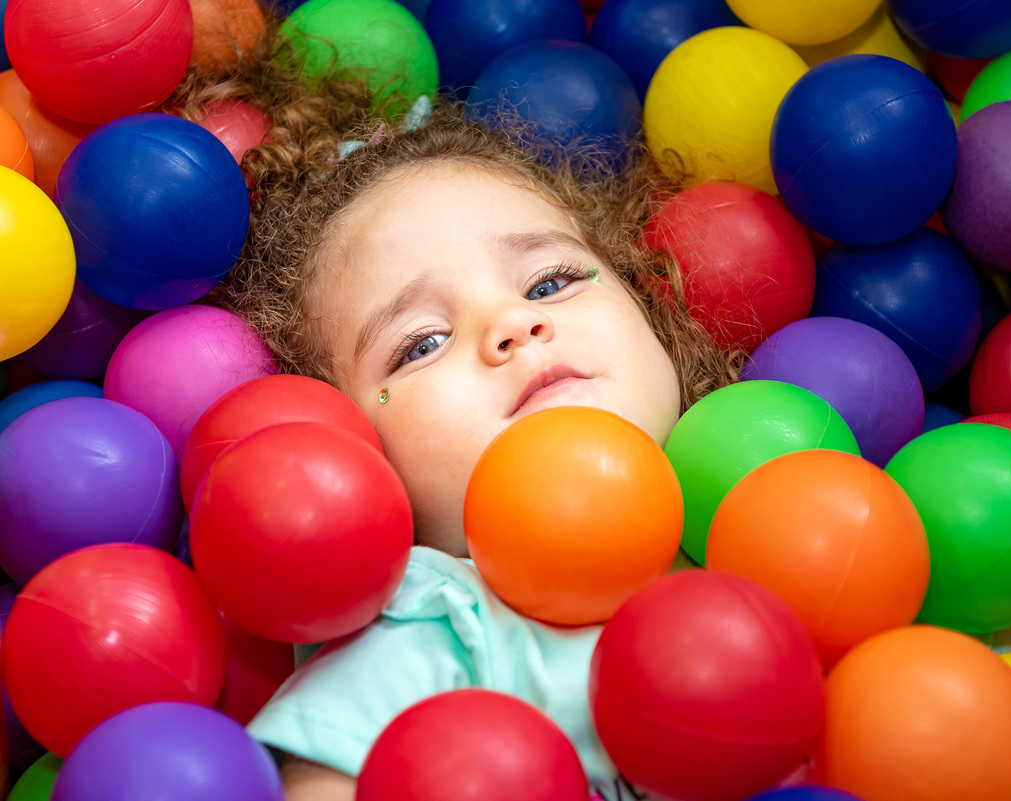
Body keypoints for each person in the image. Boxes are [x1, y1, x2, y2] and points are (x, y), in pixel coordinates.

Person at [178, 22, 740, 800]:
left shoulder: (766, 496)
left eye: (548, 283)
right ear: (356, 450)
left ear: (647, 303)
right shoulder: (429, 622)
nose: (511, 324)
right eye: (422, 343)